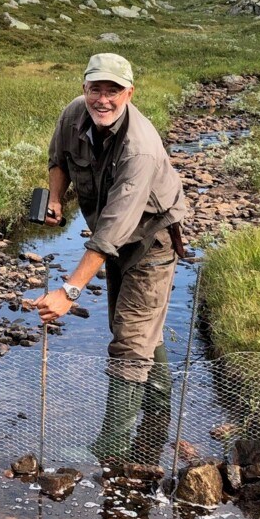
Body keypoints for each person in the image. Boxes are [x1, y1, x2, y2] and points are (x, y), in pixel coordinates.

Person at [30, 52, 187, 465]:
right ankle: (157, 416)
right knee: (136, 328)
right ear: (84, 89)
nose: (103, 99)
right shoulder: (73, 115)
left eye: (113, 91)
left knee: (130, 343)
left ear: (129, 93)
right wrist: (57, 201)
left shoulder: (141, 149)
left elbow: (112, 232)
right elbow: (58, 160)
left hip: (150, 240)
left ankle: (112, 446)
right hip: (112, 234)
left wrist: (69, 290)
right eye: (96, 89)